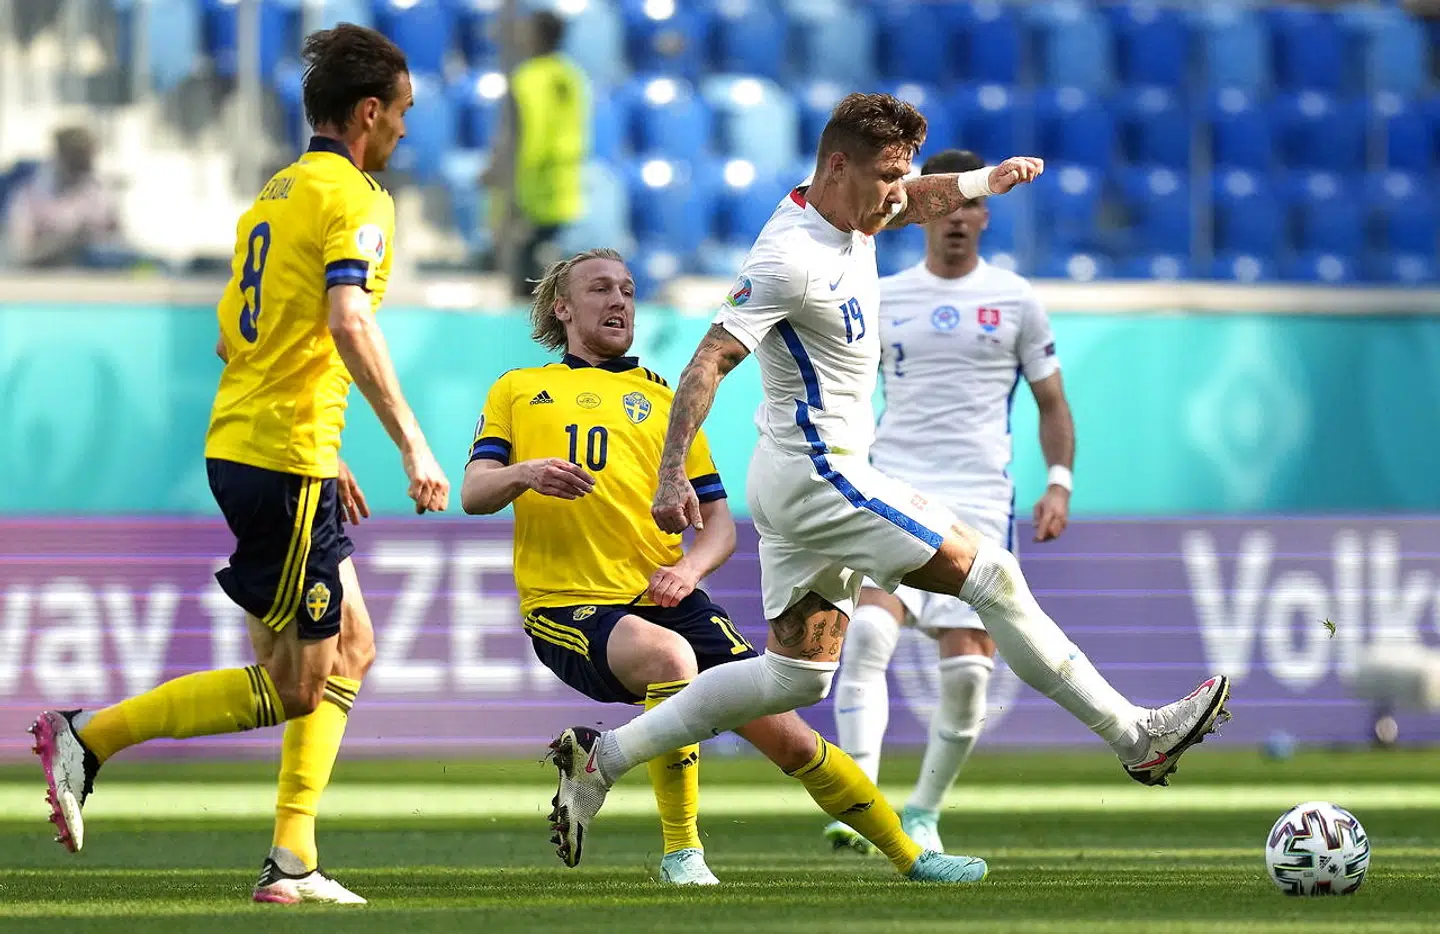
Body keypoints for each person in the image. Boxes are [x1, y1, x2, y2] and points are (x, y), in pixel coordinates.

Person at [543, 93, 1232, 869]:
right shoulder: (787, 255)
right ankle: (1135, 738)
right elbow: (707, 363)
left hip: (804, 475)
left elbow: (918, 201)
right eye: (886, 175)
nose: (897, 191)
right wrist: (671, 475)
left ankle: (602, 761)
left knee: (794, 678)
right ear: (836, 165)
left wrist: (983, 183)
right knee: (994, 576)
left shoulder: (858, 212)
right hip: (818, 473)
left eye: (903, 173)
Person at [29, 25, 450, 906]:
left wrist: (326, 449)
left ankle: (293, 860)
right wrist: (411, 440)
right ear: (370, 113)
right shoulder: (358, 198)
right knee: (300, 686)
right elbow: (347, 319)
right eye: (404, 113)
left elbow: (238, 340)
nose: (408, 130)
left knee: (352, 650)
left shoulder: (272, 197)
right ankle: (87, 738)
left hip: (256, 448)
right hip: (282, 460)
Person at [462, 248, 987, 884]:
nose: (619, 300)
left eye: (627, 289)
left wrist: (690, 570)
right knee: (669, 660)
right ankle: (681, 854)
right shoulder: (518, 390)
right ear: (562, 308)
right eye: (600, 289)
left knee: (790, 739)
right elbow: (475, 492)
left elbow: (718, 524)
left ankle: (912, 859)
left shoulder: (664, 398)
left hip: (665, 595)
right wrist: (525, 473)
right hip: (568, 605)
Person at [825, 148, 1077, 856]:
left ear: (984, 216)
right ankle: (859, 800)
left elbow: (1052, 402)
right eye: (948, 205)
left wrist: (1059, 482)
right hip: (895, 481)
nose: (959, 219)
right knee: (870, 632)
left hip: (980, 493)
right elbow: (842, 384)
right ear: (924, 208)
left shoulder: (1018, 300)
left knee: (967, 671)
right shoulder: (883, 293)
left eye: (972, 208)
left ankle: (925, 812)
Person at [489, 10, 590, 298]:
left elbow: (522, 133)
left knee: (526, 271)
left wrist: (500, 172)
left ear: (538, 36)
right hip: (563, 182)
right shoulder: (571, 76)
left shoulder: (528, 78)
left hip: (531, 181)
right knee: (548, 256)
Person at [5, 125, 121, 268]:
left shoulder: (98, 191)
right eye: (77, 156)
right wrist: (67, 242)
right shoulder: (31, 195)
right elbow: (22, 255)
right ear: (60, 155)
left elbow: (115, 239)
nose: (84, 163)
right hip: (46, 280)